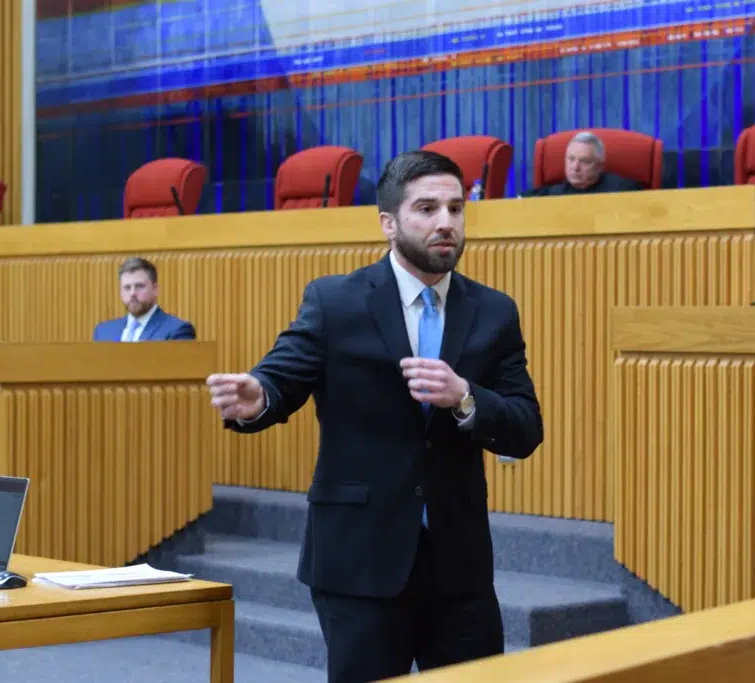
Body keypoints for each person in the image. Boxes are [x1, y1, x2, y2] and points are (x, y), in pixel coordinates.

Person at [206, 150, 544, 683]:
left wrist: (465, 397)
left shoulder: (494, 311)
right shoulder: (335, 301)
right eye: (427, 208)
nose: (445, 223)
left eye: (456, 209)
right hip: (359, 559)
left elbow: (525, 427)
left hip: (459, 566)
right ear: (388, 223)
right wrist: (260, 396)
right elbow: (281, 377)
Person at [92, 257, 196, 342]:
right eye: (127, 288)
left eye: (139, 286)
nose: (132, 293)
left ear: (155, 289)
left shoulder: (177, 330)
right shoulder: (103, 332)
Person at [521, 130, 645, 196]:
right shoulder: (554, 193)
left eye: (584, 161)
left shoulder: (622, 190)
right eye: (571, 159)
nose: (575, 167)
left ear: (600, 166)